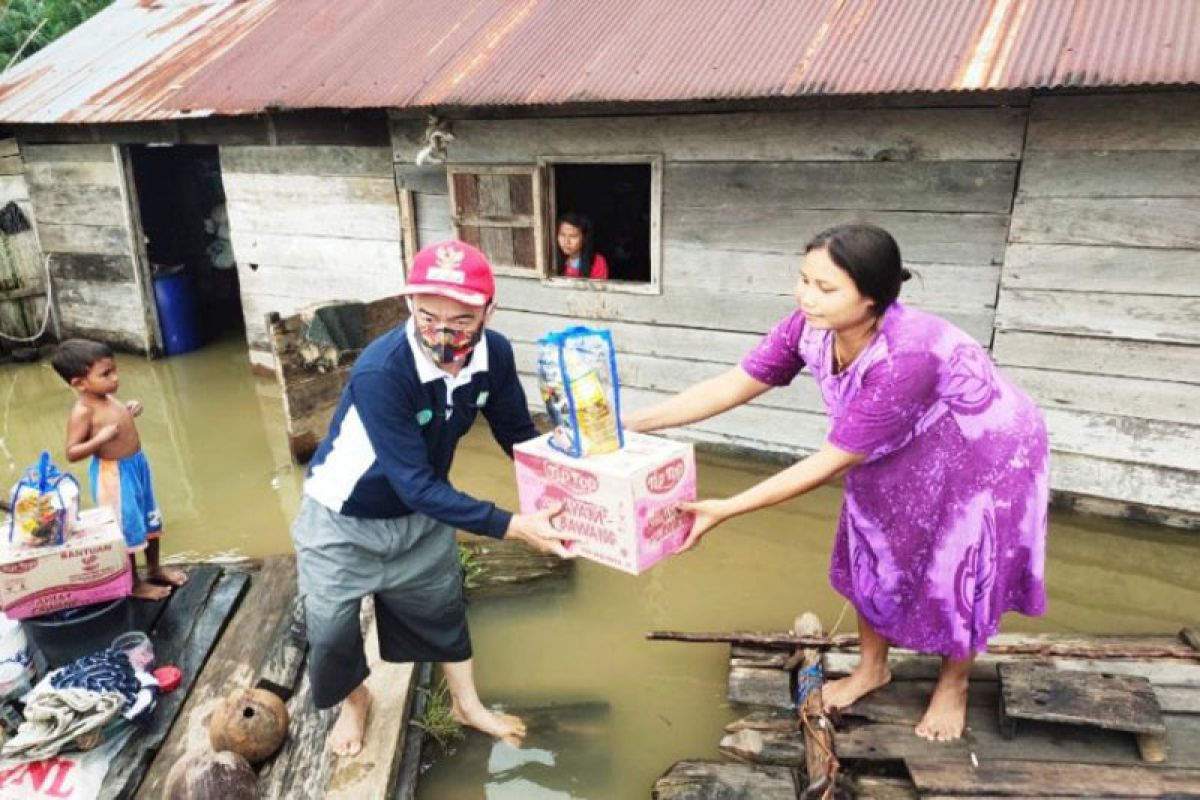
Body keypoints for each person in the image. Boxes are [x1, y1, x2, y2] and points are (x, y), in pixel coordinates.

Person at [625, 224, 1048, 742]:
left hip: (983, 450)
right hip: (902, 438)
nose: (806, 296)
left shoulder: (904, 354)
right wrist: (631, 422)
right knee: (869, 532)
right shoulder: (809, 327)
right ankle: (873, 668)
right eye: (803, 279)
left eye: (825, 288)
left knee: (959, 559)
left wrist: (726, 508)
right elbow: (734, 384)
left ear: (872, 299)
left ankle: (954, 682)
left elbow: (829, 462)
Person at [293, 240, 574, 757]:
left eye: (463, 319)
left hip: (421, 518)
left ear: (490, 309)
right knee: (331, 633)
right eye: (429, 315)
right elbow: (415, 483)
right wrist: (514, 525)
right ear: (409, 305)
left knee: (442, 609)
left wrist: (569, 486)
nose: (444, 332)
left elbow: (516, 435)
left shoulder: (495, 354)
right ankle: (355, 700)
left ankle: (468, 705)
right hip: (343, 519)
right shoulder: (383, 371)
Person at [52, 339, 190, 601]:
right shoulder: (82, 411)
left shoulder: (106, 396)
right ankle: (133, 583)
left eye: (114, 370)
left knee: (149, 518)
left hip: (137, 466)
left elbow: (115, 417)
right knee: (126, 528)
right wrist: (99, 440)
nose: (115, 378)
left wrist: (129, 410)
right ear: (79, 383)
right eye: (106, 374)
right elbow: (72, 452)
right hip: (113, 475)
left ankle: (154, 568)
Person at [556, 213, 608, 280]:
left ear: (584, 238)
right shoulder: (551, 260)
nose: (566, 242)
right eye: (562, 235)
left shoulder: (597, 262)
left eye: (573, 236)